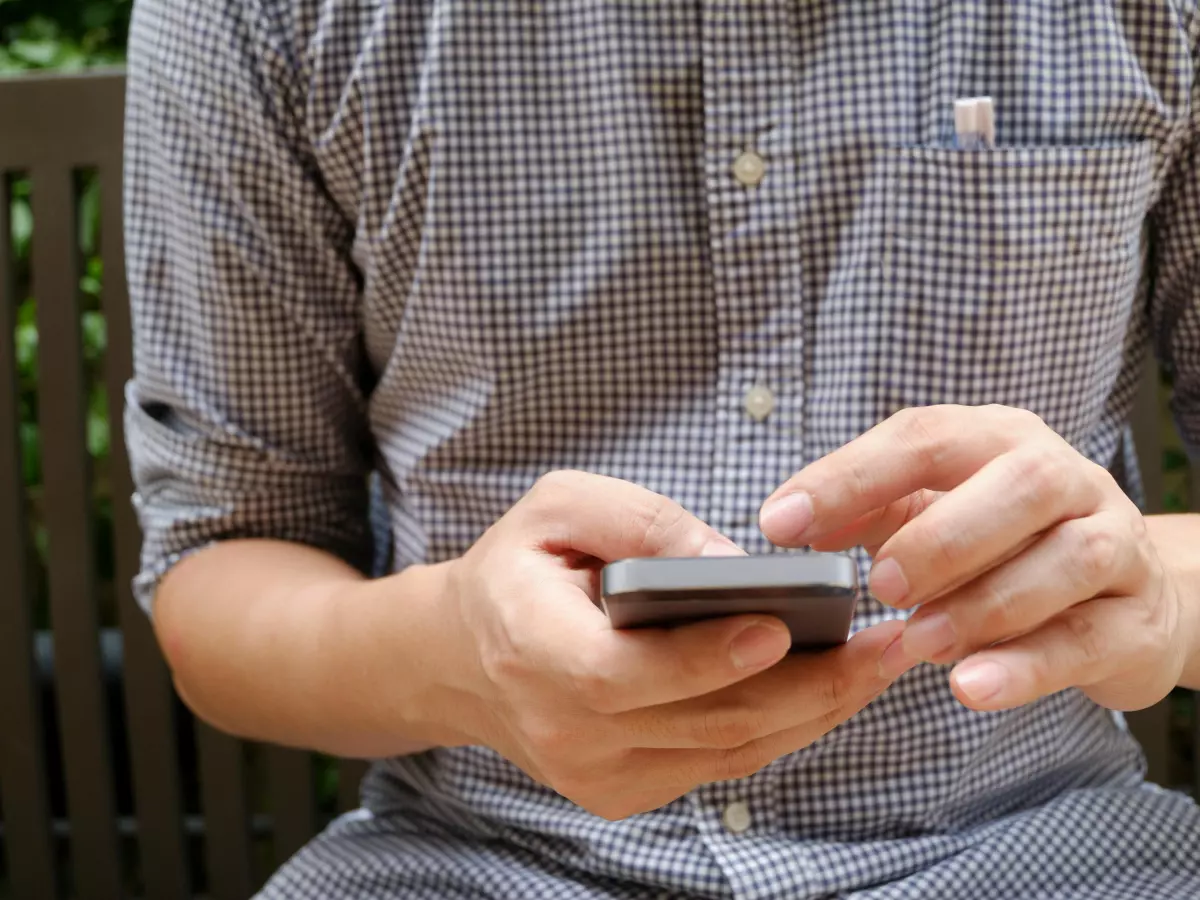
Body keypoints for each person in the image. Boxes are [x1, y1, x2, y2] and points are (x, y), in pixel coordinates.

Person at [123, 0, 1200, 897]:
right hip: (473, 859)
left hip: (1046, 845)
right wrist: (457, 655)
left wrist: (1157, 595)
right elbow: (224, 563)